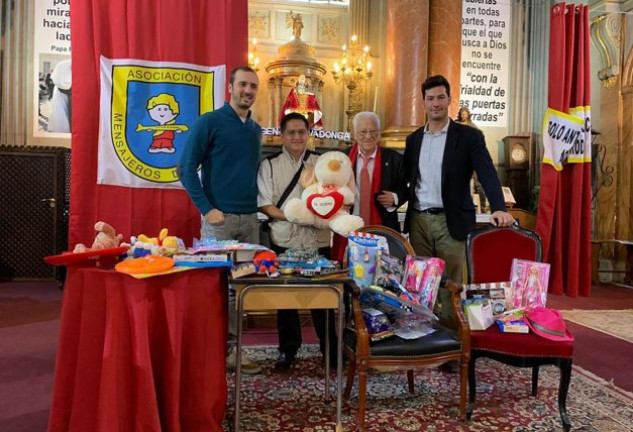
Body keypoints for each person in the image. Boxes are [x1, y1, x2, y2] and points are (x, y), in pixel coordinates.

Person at [178, 65, 262, 374]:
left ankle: (232, 353)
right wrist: (207, 209)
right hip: (219, 222)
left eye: (253, 86)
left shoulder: (255, 130)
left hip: (250, 223)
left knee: (241, 290)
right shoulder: (209, 122)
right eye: (243, 84)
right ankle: (207, 353)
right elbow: (185, 169)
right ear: (230, 87)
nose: (248, 90)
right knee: (213, 290)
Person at [403, 75, 514, 283]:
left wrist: (499, 207)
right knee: (420, 283)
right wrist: (394, 197)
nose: (436, 103)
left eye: (440, 97)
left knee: (452, 284)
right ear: (423, 102)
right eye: (430, 98)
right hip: (418, 221)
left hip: (451, 220)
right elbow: (405, 177)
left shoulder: (469, 137)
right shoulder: (414, 139)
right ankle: (424, 317)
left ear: (449, 99)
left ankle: (452, 317)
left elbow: (487, 173)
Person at [257, 112, 337, 370]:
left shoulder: (322, 163)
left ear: (308, 134)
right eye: (291, 132)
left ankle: (330, 350)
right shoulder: (269, 165)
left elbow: (334, 197)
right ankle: (288, 349)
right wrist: (296, 216)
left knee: (323, 296)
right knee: (286, 297)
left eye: (301, 132)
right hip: (285, 237)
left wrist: (315, 215)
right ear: (282, 135)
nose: (296, 137)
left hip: (317, 238)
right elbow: (266, 205)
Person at [346, 111, 407, 231]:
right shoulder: (342, 158)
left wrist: (395, 198)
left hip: (384, 225)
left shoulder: (394, 159)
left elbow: (407, 188)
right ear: (354, 134)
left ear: (379, 133)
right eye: (363, 132)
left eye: (373, 131)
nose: (368, 136)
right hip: (349, 225)